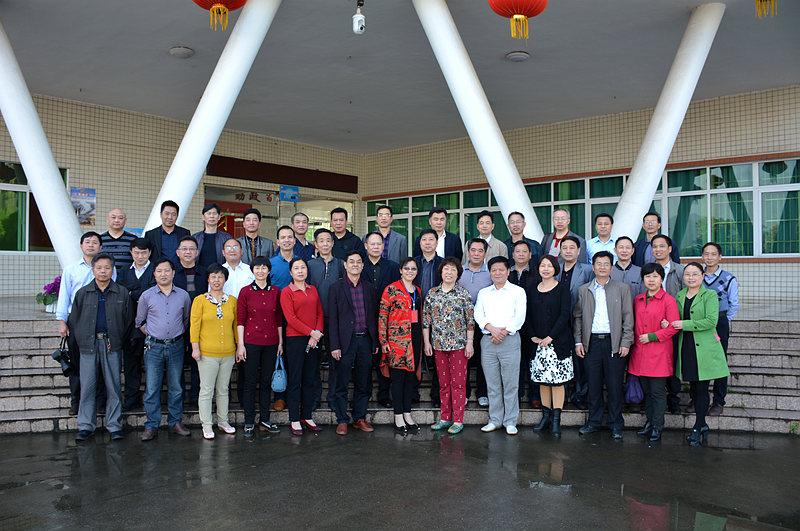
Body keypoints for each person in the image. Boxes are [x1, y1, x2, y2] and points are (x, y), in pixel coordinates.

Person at [69, 253, 133, 442]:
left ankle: (114, 426)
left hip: (112, 344)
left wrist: (118, 339)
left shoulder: (122, 292)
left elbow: (128, 320)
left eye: (107, 268)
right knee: (87, 387)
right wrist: (82, 340)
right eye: (99, 268)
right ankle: (85, 426)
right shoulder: (83, 293)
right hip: (88, 346)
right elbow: (75, 320)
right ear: (93, 270)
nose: (103, 271)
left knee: (113, 386)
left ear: (112, 270)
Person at [574, 251, 634, 440]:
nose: (602, 267)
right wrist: (578, 341)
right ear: (593, 267)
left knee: (614, 385)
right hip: (591, 343)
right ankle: (594, 422)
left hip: (613, 342)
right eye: (598, 264)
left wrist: (626, 342)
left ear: (611, 267)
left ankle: (616, 424)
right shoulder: (584, 290)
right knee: (593, 385)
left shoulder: (622, 288)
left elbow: (628, 317)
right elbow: (578, 317)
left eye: (606, 264)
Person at [56, 231, 114, 414]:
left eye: (95, 242)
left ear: (100, 247)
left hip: (102, 321)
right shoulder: (71, 270)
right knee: (76, 363)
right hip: (77, 320)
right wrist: (62, 321)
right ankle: (76, 401)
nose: (91, 245)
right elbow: (64, 296)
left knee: (101, 363)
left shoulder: (109, 269)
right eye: (87, 242)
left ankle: (100, 402)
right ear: (81, 246)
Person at [672, 262, 730, 447]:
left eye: (695, 274)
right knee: (694, 387)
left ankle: (698, 426)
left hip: (704, 347)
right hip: (686, 346)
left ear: (703, 276)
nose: (691, 277)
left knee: (702, 388)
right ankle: (702, 424)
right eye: (687, 274)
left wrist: (684, 324)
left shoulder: (710, 295)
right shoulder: (680, 295)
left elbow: (711, 321)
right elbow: (675, 318)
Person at [136, 258, 192, 441]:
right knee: (152, 387)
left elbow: (186, 320)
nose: (163, 274)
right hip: (153, 347)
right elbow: (140, 321)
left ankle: (175, 422)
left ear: (173, 273)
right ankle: (151, 425)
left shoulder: (183, 295)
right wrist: (154, 334)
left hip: (176, 345)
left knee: (176, 386)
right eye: (159, 271)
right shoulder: (147, 296)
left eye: (167, 270)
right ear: (154, 274)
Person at [474, 256, 527, 436]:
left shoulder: (518, 292)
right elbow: (478, 314)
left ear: (508, 271)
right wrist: (491, 329)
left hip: (509, 340)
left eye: (501, 270)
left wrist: (503, 332)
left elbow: (520, 316)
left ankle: (510, 421)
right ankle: (495, 419)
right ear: (490, 272)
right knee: (493, 384)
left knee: (510, 383)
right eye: (494, 270)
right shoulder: (484, 293)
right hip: (488, 341)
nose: (497, 273)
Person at [628, 263, 680, 443]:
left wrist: (652, 336)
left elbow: (673, 327)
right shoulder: (638, 299)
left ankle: (658, 426)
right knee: (647, 392)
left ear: (661, 279)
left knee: (657, 392)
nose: (651, 280)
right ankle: (649, 423)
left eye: (655, 276)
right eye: (648, 276)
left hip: (658, 353)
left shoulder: (668, 300)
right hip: (640, 353)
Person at [328, 250, 378, 435]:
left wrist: (375, 341)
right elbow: (332, 319)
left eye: (358, 262)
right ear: (345, 265)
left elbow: (374, 316)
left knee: (363, 382)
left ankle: (359, 418)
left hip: (365, 340)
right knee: (341, 382)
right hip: (344, 342)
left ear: (362, 266)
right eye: (351, 262)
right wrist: (334, 345)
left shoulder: (369, 287)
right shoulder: (336, 288)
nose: (355, 265)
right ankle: (342, 419)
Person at [423, 258, 474, 435]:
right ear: (441, 272)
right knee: (443, 384)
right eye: (446, 269)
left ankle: (458, 420)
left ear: (458, 273)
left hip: (459, 345)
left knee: (458, 384)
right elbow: (426, 321)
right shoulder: (432, 293)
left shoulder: (463, 293)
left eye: (453, 270)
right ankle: (445, 418)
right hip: (438, 345)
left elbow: (470, 321)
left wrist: (470, 343)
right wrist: (427, 342)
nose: (449, 272)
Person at [526, 255, 574, 438]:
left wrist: (550, 336)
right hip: (538, 344)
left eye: (549, 266)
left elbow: (564, 315)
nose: (545, 269)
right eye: (542, 266)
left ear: (555, 269)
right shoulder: (532, 289)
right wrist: (533, 335)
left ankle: (556, 420)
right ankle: (545, 417)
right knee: (543, 381)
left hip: (557, 343)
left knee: (557, 382)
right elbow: (528, 314)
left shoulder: (562, 289)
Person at [235, 256, 283, 437]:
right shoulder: (245, 292)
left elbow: (278, 319)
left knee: (265, 382)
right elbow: (241, 320)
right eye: (257, 268)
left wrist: (280, 342)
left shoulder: (275, 291)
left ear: (269, 271)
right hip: (251, 342)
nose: (261, 271)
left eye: (264, 268)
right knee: (249, 382)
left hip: (271, 342)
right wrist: (240, 345)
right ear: (252, 271)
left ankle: (265, 419)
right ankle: (249, 421)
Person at [190, 264, 238, 440]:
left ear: (225, 280)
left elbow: (235, 326)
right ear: (208, 279)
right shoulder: (200, 300)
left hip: (228, 353)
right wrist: (195, 348)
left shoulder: (231, 301)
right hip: (207, 353)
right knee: (206, 390)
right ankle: (207, 424)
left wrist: (238, 346)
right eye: (213, 277)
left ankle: (223, 421)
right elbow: (194, 326)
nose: (216, 280)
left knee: (223, 389)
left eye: (220, 277)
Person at [280, 258, 325, 436]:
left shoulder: (313, 289)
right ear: (290, 272)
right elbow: (290, 319)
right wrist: (311, 332)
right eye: (296, 268)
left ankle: (307, 416)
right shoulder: (286, 292)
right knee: (295, 379)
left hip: (314, 339)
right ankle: (294, 418)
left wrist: (317, 333)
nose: (300, 271)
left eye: (303, 267)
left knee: (310, 378)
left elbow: (320, 312)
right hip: (295, 340)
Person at [379, 258, 424, 435]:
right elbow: (382, 316)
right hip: (396, 340)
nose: (410, 271)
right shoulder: (391, 289)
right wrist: (383, 341)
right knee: (398, 379)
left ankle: (407, 413)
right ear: (400, 270)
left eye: (413, 269)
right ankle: (398, 416)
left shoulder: (418, 290)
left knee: (410, 379)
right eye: (407, 268)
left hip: (415, 337)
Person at [363, 231, 402, 407]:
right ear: (366, 246)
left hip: (388, 320)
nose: (376, 247)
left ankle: (384, 395)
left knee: (385, 357)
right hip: (364, 318)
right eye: (372, 244)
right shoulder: (358, 265)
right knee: (365, 360)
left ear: (383, 246)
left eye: (379, 244)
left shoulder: (393, 267)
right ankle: (363, 396)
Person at [556, 235, 594, 409]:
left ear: (579, 251)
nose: (568, 251)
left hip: (580, 320)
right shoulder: (555, 268)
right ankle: (562, 395)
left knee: (581, 361)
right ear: (560, 251)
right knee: (562, 357)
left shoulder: (587, 270)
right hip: (559, 322)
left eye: (572, 248)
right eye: (565, 248)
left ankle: (580, 395)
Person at [118, 238, 156, 411]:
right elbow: (121, 293)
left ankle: (151, 401)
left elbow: (154, 292)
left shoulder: (156, 269)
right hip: (129, 325)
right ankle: (131, 399)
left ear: (149, 253)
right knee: (131, 364)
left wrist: (132, 292)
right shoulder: (124, 270)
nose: (140, 256)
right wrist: (140, 293)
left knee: (153, 366)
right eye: (136, 252)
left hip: (152, 324)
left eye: (144, 252)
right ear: (131, 252)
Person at [702, 242, 739, 415]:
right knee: (700, 360)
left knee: (719, 360)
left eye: (713, 254)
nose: (709, 257)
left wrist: (723, 319)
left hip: (720, 322)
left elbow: (733, 303)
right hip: (699, 323)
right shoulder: (697, 276)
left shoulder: (729, 278)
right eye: (706, 254)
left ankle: (718, 401)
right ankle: (699, 398)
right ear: (702, 256)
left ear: (720, 257)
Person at [651, 234, 685, 415]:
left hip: (674, 325)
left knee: (673, 362)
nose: (658, 249)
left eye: (662, 246)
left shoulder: (679, 271)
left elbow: (685, 297)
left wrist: (674, 321)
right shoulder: (649, 269)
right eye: (655, 246)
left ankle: (673, 398)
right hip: (652, 325)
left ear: (670, 249)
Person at [173, 235, 207, 406]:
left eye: (191, 249)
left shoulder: (205, 273)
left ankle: (195, 397)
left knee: (198, 361)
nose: (188, 252)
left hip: (201, 325)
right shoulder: (171, 273)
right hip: (177, 323)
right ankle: (178, 398)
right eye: (184, 249)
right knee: (177, 363)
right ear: (178, 252)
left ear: (197, 252)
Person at [459, 238, 492, 406]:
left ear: (485, 253)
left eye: (480, 251)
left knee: (482, 358)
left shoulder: (490, 273)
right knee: (463, 358)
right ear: (468, 252)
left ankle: (482, 392)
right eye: (473, 250)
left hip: (483, 322)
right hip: (461, 322)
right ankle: (464, 391)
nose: (476, 254)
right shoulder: (459, 271)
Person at [509, 240, 541, 408]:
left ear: (530, 255)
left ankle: (535, 395)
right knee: (515, 362)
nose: (521, 254)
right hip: (511, 324)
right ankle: (518, 393)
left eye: (524, 251)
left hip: (532, 323)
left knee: (532, 359)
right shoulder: (507, 273)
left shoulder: (537, 274)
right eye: (517, 251)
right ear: (513, 254)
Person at [144, 200, 190, 266]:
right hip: (158, 271)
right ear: (161, 214)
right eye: (167, 213)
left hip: (180, 270)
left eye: (173, 214)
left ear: (177, 216)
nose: (170, 217)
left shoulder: (185, 233)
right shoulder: (150, 235)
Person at [193, 203, 232, 271]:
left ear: (219, 217)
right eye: (209, 213)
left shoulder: (227, 238)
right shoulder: (195, 238)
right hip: (199, 274)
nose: (212, 216)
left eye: (214, 213)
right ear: (203, 217)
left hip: (220, 274)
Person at [100, 208, 137, 274]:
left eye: (120, 218)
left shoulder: (133, 239)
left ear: (125, 221)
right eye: (113, 217)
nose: (116, 220)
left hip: (127, 278)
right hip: (104, 278)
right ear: (107, 220)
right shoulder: (99, 239)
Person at [414, 229, 443, 300]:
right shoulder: (413, 263)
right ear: (420, 243)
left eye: (431, 239)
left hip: (437, 303)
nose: (427, 243)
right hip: (416, 303)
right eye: (424, 239)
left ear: (437, 243)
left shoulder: (443, 263)